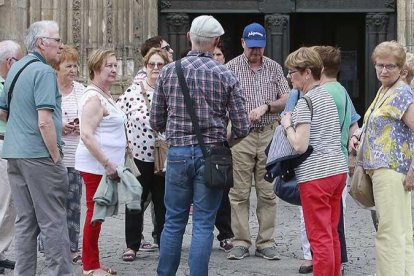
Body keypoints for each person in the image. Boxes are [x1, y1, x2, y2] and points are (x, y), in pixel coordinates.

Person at [151, 15, 250, 275]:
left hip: (178, 154)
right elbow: (242, 126)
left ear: (189, 37)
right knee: (204, 224)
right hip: (213, 155)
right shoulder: (225, 74)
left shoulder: (169, 72)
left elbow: (156, 120)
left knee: (173, 221)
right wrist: (222, 141)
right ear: (216, 41)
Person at [0, 21, 72, 276]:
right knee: (53, 221)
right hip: (39, 155)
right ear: (42, 42)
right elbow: (44, 120)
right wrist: (55, 156)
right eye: (58, 39)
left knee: (25, 221)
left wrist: (21, 132)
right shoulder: (42, 72)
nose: (61, 45)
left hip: (14, 153)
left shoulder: (15, 69)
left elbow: (4, 111)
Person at [349, 41, 414, 276]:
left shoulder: (401, 92)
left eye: (389, 66)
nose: (383, 71)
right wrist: (357, 137)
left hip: (391, 169)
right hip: (381, 168)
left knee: (388, 231)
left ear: (401, 69)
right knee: (400, 229)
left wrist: (413, 170)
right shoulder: (384, 90)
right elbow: (374, 124)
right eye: (379, 66)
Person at [281, 47, 348, 276]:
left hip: (316, 176)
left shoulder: (305, 102)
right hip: (337, 171)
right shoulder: (328, 96)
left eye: (292, 72)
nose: (289, 76)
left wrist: (287, 124)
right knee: (331, 232)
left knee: (319, 237)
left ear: (307, 72)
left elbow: (299, 144)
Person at [226, 22, 290, 260]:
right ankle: (241, 241)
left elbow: (287, 97)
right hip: (242, 136)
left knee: (268, 192)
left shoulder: (274, 68)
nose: (256, 52)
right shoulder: (230, 68)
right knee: (239, 192)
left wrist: (267, 106)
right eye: (251, 47)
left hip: (269, 135)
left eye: (259, 48)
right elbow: (222, 102)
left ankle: (266, 242)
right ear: (243, 43)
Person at [75, 49, 126, 276]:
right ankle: (90, 266)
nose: (114, 69)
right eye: (109, 66)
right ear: (96, 68)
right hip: (96, 166)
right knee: (94, 214)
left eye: (116, 65)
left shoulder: (104, 94)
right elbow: (86, 135)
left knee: (98, 215)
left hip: (104, 166)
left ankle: (93, 261)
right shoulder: (93, 98)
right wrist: (107, 163)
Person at [116, 47, 168, 261]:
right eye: (151, 64)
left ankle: (165, 244)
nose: (155, 68)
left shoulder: (171, 89)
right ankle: (132, 245)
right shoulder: (132, 92)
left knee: (163, 202)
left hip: (165, 157)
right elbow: (117, 117)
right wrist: (123, 143)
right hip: (138, 156)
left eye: (160, 64)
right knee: (134, 200)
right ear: (145, 66)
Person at [133, 35, 174, 251]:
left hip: (165, 152)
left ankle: (161, 239)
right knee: (140, 198)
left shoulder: (172, 84)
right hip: (142, 151)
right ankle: (135, 241)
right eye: (167, 48)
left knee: (161, 199)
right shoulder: (138, 85)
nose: (171, 51)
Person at [53, 45, 85, 264]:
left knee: (73, 204)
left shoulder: (82, 90)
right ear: (57, 68)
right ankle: (52, 245)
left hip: (75, 155)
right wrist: (59, 126)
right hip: (53, 155)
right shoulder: (49, 89)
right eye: (68, 65)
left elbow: (91, 118)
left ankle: (72, 247)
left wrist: (80, 125)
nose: (73, 70)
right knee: (52, 204)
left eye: (75, 65)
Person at [0, 40, 23, 274]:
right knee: (3, 204)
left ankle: (1, 251)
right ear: (9, 61)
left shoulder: (9, 83)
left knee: (10, 205)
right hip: (2, 144)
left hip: (11, 145)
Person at [211, 41, 234, 252]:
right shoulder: (207, 79)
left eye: (219, 54)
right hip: (214, 144)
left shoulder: (229, 79)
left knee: (222, 192)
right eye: (213, 54)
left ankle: (226, 233)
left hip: (223, 144)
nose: (216, 57)